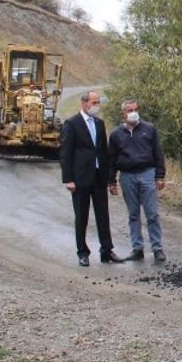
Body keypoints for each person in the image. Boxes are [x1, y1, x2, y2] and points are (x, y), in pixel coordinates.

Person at [60, 90, 124, 266]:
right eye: (93, 102)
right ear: (84, 103)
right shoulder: (72, 123)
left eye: (98, 103)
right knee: (81, 216)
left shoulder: (99, 123)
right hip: (80, 178)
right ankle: (82, 252)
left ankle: (106, 250)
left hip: (98, 177)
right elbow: (66, 153)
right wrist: (68, 179)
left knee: (103, 215)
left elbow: (104, 151)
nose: (96, 106)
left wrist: (110, 177)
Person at [108, 98, 167, 262]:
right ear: (123, 114)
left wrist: (160, 175)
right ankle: (137, 248)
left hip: (147, 174)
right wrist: (111, 181)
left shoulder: (149, 129)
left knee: (152, 214)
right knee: (133, 215)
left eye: (135, 109)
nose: (133, 113)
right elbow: (111, 159)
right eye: (129, 110)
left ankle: (157, 248)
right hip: (127, 176)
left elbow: (158, 153)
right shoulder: (116, 134)